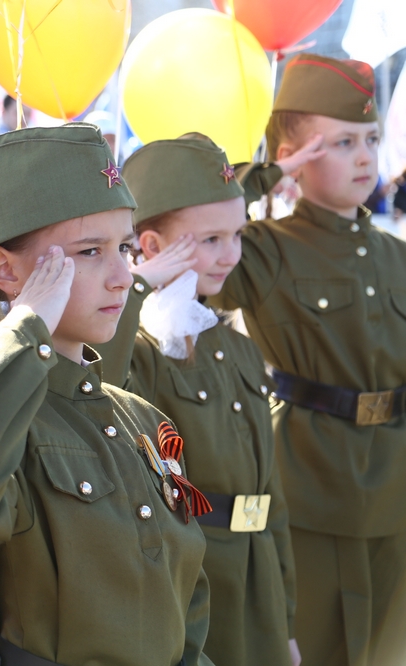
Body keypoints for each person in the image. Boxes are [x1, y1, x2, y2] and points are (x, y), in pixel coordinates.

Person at [0, 123, 212, 665]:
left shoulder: (139, 417)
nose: (122, 275)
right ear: (5, 270)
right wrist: (27, 325)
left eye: (124, 246)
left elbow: (186, 598)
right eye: (91, 251)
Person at [210, 53, 406, 665]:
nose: (365, 156)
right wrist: (267, 176)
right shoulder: (264, 250)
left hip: (396, 483)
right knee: (312, 644)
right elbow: (191, 238)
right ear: (292, 152)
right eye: (342, 142)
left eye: (370, 139)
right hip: (307, 479)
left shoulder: (395, 255)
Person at [94, 136, 299, 666]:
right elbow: (96, 392)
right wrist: (137, 288)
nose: (230, 254)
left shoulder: (234, 345)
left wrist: (287, 618)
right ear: (154, 247)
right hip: (189, 584)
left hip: (257, 585)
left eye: (237, 234)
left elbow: (269, 494)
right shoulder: (139, 351)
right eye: (210, 239)